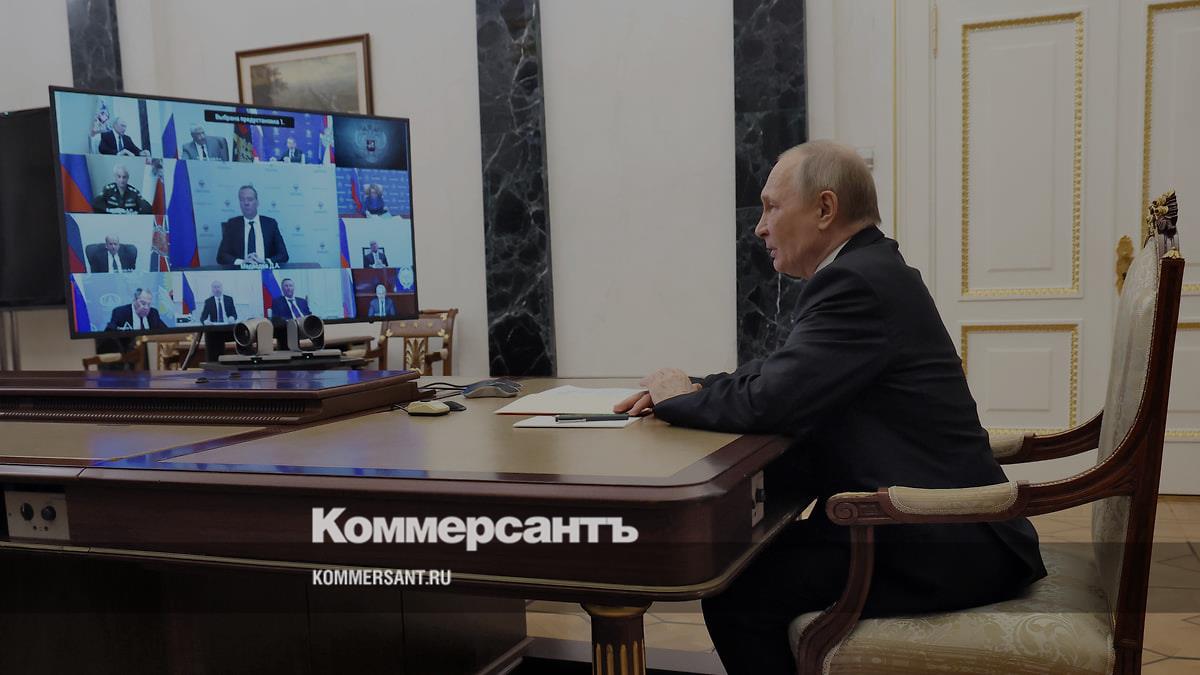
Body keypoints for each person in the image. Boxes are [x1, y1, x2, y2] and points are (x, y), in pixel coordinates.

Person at [614, 141, 1046, 675]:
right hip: (943, 528)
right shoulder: (869, 268)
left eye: (771, 207)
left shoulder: (855, 281)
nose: (759, 227)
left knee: (738, 589)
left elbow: (772, 400)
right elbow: (784, 373)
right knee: (745, 560)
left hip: (942, 540)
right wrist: (698, 387)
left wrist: (681, 400)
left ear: (824, 208)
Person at [216, 185, 289, 266]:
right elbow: (221, 256)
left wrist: (265, 262)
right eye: (242, 200)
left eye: (250, 199)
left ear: (257, 202)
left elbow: (283, 255)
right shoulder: (232, 224)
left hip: (265, 270)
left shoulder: (270, 224)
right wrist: (242, 262)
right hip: (240, 271)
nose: (246, 203)